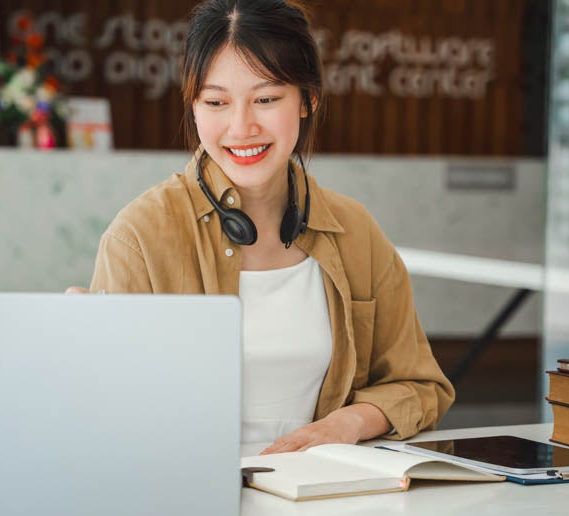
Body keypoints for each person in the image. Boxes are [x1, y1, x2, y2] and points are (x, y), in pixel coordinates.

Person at [79, 0, 454, 454]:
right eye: (216, 102)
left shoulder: (355, 231)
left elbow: (419, 385)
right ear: (194, 106)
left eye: (266, 99)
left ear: (307, 100)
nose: (241, 127)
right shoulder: (138, 237)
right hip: (189, 506)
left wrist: (346, 425)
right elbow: (104, 413)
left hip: (325, 502)